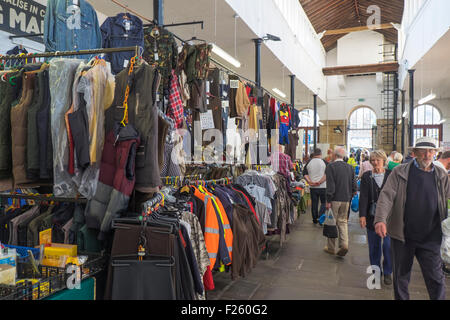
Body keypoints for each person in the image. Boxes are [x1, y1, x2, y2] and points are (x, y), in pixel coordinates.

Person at [374, 137, 450, 300]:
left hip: (431, 237)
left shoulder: (441, 175)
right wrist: (380, 219)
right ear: (414, 153)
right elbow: (386, 196)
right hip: (403, 236)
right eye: (423, 151)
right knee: (401, 278)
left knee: (436, 279)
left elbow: (448, 198)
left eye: (431, 151)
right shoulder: (400, 172)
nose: (427, 155)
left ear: (435, 154)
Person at [359, 150, 393, 285]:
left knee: (388, 246)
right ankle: (375, 272)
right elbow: (364, 197)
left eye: (377, 160)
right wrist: (362, 215)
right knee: (374, 246)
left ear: (384, 161)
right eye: (372, 160)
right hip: (371, 216)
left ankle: (388, 271)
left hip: (389, 217)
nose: (374, 162)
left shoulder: (391, 175)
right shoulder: (367, 176)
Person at [324, 146, 357, 257]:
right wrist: (350, 196)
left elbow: (331, 186)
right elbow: (354, 185)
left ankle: (331, 248)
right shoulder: (350, 167)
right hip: (346, 199)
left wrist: (328, 200)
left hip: (334, 199)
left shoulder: (331, 166)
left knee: (331, 222)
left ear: (334, 155)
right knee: (343, 222)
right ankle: (344, 244)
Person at [303, 148, 327, 225]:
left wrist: (310, 182)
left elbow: (305, 174)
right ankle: (320, 216)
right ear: (320, 154)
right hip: (323, 186)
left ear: (313, 154)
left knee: (314, 203)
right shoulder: (324, 162)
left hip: (313, 187)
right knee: (324, 202)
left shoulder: (309, 162)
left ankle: (314, 219)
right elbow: (327, 174)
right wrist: (320, 182)